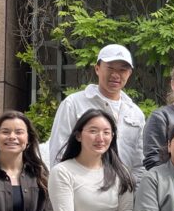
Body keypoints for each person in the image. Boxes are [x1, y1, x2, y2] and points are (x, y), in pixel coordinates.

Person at [49, 44, 146, 182]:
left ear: (129, 73)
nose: (115, 74)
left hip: (123, 194)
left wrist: (133, 194)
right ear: (97, 69)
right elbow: (58, 152)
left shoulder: (135, 113)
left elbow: (139, 162)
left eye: (122, 70)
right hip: (82, 191)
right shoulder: (74, 103)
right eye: (110, 68)